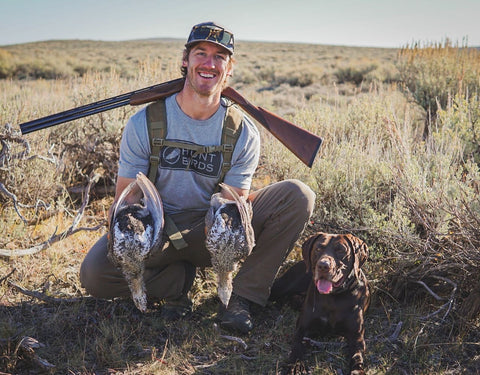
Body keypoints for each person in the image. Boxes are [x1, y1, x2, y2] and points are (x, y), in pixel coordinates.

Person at [80, 21, 316, 334]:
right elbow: (128, 200)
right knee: (95, 274)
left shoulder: (243, 131)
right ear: (185, 60)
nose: (209, 63)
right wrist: (126, 240)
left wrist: (218, 249)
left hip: (213, 229)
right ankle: (179, 280)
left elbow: (231, 205)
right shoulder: (144, 122)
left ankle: (243, 298)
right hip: (156, 231)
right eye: (201, 53)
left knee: (298, 196)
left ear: (229, 69)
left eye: (220, 57)